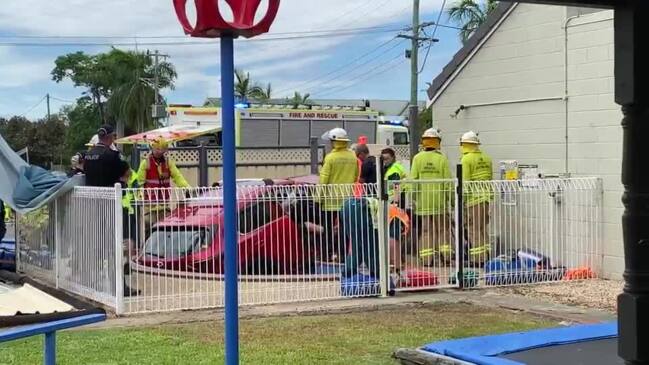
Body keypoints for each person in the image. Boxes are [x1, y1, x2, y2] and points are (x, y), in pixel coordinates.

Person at [410, 128, 452, 266]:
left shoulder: (417, 158)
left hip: (423, 202)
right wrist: (452, 200)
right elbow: (448, 183)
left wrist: (413, 199)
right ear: (437, 142)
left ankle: (427, 260)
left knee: (426, 231)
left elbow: (413, 181)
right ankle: (445, 257)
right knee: (443, 230)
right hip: (439, 202)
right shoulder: (442, 159)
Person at [318, 127, 359, 262]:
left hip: (330, 200)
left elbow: (324, 178)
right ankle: (343, 256)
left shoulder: (330, 157)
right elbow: (355, 177)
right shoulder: (353, 156)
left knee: (327, 230)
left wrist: (318, 198)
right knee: (345, 229)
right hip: (347, 199)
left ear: (334, 142)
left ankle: (327, 255)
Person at [136, 137, 190, 234]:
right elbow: (140, 182)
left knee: (165, 231)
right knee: (150, 230)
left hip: (164, 204)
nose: (159, 151)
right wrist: (140, 195)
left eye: (162, 149)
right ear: (152, 148)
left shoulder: (168, 163)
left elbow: (177, 177)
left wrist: (186, 187)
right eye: (157, 148)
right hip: (150, 206)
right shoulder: (145, 163)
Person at [460, 131, 493, 263]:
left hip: (473, 199)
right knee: (482, 229)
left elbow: (465, 182)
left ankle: (478, 259)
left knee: (473, 229)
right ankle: (487, 256)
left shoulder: (466, 159)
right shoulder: (487, 157)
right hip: (485, 199)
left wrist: (462, 199)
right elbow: (490, 177)